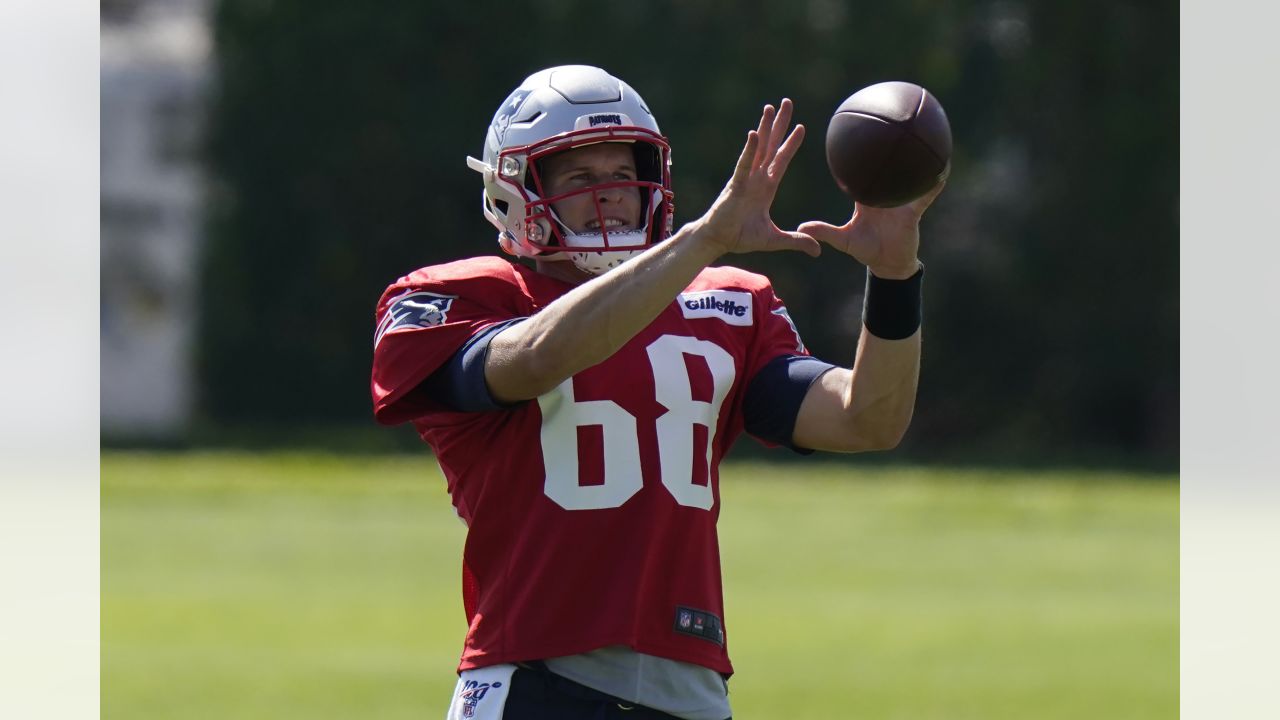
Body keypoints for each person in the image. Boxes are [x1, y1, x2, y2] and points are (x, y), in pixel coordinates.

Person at [370, 65, 943, 720]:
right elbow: (534, 359)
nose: (609, 195)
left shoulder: (728, 302)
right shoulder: (460, 296)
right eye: (580, 178)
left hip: (692, 693)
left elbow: (866, 420)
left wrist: (896, 273)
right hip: (538, 683)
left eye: (621, 174)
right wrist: (702, 241)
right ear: (516, 189)